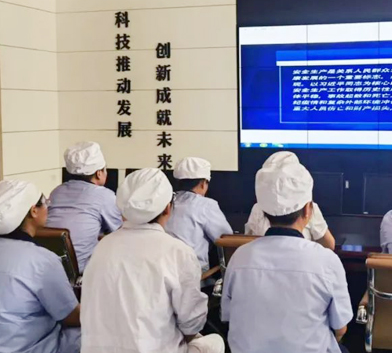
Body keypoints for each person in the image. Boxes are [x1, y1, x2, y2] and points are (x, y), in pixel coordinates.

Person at [80, 168, 224, 353]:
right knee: (215, 343)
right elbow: (191, 324)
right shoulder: (178, 252)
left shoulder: (102, 247)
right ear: (168, 208)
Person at [222, 162, 353, 353]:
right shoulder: (326, 260)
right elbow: (340, 328)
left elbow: (228, 315)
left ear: (263, 212)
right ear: (308, 210)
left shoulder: (239, 257)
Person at [0, 180, 81, 353]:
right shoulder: (41, 260)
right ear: (33, 211)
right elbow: (70, 316)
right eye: (45, 202)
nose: (48, 207)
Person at [47, 141, 122, 272]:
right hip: (81, 272)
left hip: (49, 266)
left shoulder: (56, 192)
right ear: (99, 173)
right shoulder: (105, 196)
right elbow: (120, 233)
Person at [245, 151, 336, 249]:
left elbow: (246, 241)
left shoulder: (258, 209)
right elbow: (329, 245)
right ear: (307, 209)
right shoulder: (311, 209)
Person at [165, 157, 233, 272]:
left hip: (164, 267)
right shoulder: (205, 204)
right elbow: (226, 238)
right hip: (192, 272)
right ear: (203, 184)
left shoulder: (166, 201)